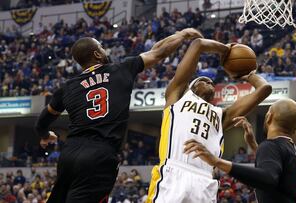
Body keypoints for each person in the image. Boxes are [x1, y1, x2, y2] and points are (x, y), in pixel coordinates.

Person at [34, 28, 203, 203]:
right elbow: (159, 53)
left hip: (69, 154)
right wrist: (182, 35)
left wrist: (45, 135)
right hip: (99, 156)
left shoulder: (67, 87)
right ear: (97, 54)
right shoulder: (120, 69)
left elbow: (42, 121)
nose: (104, 50)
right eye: (101, 47)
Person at [147, 38, 272, 202]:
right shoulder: (176, 97)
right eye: (203, 80)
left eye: (211, 81)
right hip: (173, 171)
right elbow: (198, 44)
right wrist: (225, 50)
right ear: (190, 88)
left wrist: (248, 74)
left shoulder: (222, 115)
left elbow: (264, 89)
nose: (209, 81)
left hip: (205, 180)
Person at [184, 98, 296, 203]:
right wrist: (253, 145)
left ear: (269, 117)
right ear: (295, 127)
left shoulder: (271, 145)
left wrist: (217, 161)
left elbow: (268, 178)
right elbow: (273, 168)